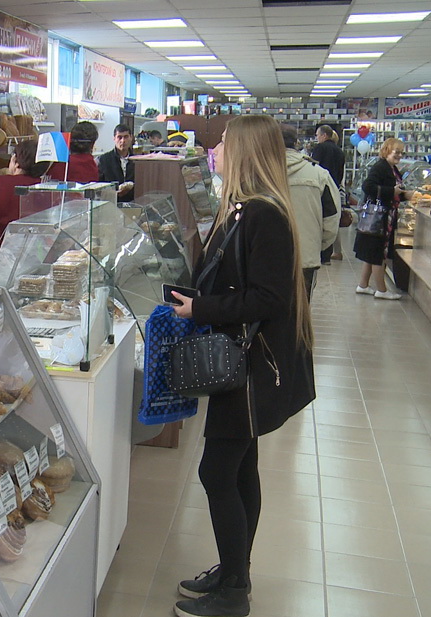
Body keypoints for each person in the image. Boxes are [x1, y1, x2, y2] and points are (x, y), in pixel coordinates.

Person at [169, 114, 315, 617]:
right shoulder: (242, 209)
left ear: (247, 151)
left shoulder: (264, 214)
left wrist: (202, 309)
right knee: (240, 467)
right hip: (240, 361)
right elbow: (232, 280)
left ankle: (234, 592)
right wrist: (193, 296)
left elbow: (267, 298)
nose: (217, 149)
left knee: (216, 472)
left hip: (251, 368)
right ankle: (235, 571)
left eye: (225, 143)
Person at [281, 124, 340, 300]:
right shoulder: (319, 174)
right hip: (306, 256)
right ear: (296, 143)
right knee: (301, 311)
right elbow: (331, 218)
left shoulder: (260, 173)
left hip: (265, 258)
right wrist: (318, 245)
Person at [354, 138, 411, 300]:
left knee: (371, 253)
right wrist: (390, 191)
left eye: (401, 152)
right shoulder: (381, 167)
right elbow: (368, 187)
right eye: (396, 152)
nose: (399, 155)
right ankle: (382, 290)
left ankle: (363, 285)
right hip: (379, 219)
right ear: (387, 150)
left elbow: (395, 191)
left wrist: (405, 195)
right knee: (378, 254)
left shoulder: (392, 168)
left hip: (384, 217)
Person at [310, 125, 346, 262]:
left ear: (324, 135)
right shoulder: (340, 151)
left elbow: (314, 166)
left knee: (318, 219)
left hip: (320, 188)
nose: (317, 138)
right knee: (331, 219)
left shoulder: (320, 148)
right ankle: (329, 253)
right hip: (334, 188)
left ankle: (320, 252)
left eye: (318, 135)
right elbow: (341, 172)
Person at [97, 124, 136, 202]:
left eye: (126, 137)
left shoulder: (137, 160)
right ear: (114, 138)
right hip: (110, 203)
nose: (123, 141)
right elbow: (98, 186)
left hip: (133, 203)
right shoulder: (104, 160)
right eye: (119, 137)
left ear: (131, 138)